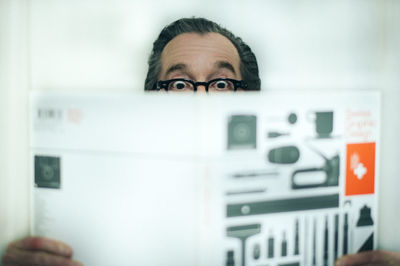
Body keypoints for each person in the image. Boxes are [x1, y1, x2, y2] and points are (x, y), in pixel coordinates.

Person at [2, 17, 399, 266]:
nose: (200, 97)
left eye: (222, 83)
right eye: (178, 83)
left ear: (252, 100)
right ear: (150, 99)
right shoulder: (100, 205)